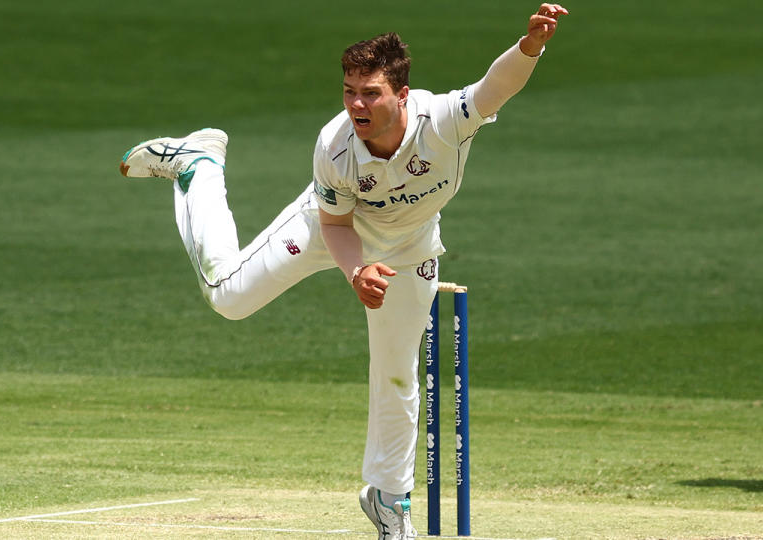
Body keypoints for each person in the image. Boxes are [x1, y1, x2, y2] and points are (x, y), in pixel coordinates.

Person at [119, 4, 567, 538]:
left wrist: (531, 46)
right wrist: (357, 272)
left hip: (409, 248)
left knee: (399, 374)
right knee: (228, 296)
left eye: (370, 92)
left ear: (401, 94)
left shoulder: (444, 120)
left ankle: (388, 500)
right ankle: (199, 166)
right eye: (349, 90)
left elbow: (498, 87)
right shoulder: (335, 145)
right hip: (333, 226)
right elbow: (334, 225)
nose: (357, 103)